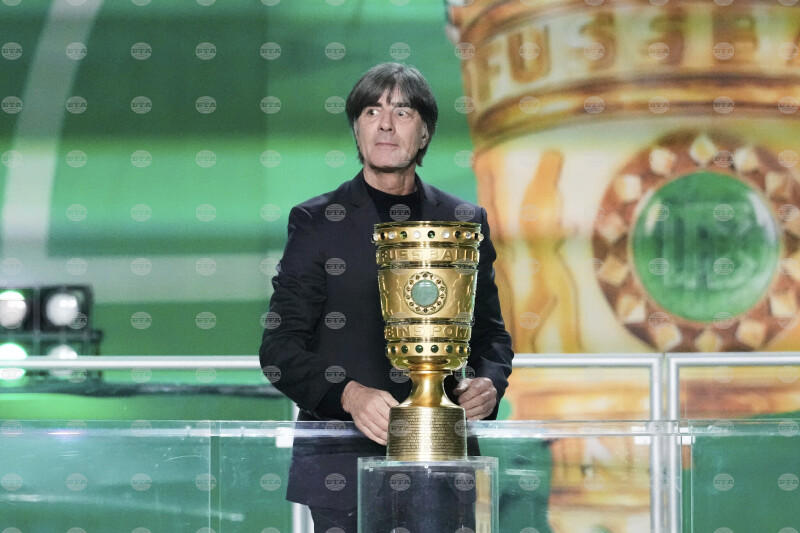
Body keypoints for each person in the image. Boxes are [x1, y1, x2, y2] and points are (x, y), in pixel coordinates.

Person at [259, 62, 514, 533]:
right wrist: (349, 396)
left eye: (402, 112)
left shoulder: (463, 221)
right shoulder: (318, 222)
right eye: (372, 111)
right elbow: (279, 349)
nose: (385, 124)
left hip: (441, 463)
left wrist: (488, 384)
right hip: (342, 468)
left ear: (425, 132)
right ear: (356, 130)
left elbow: (491, 337)